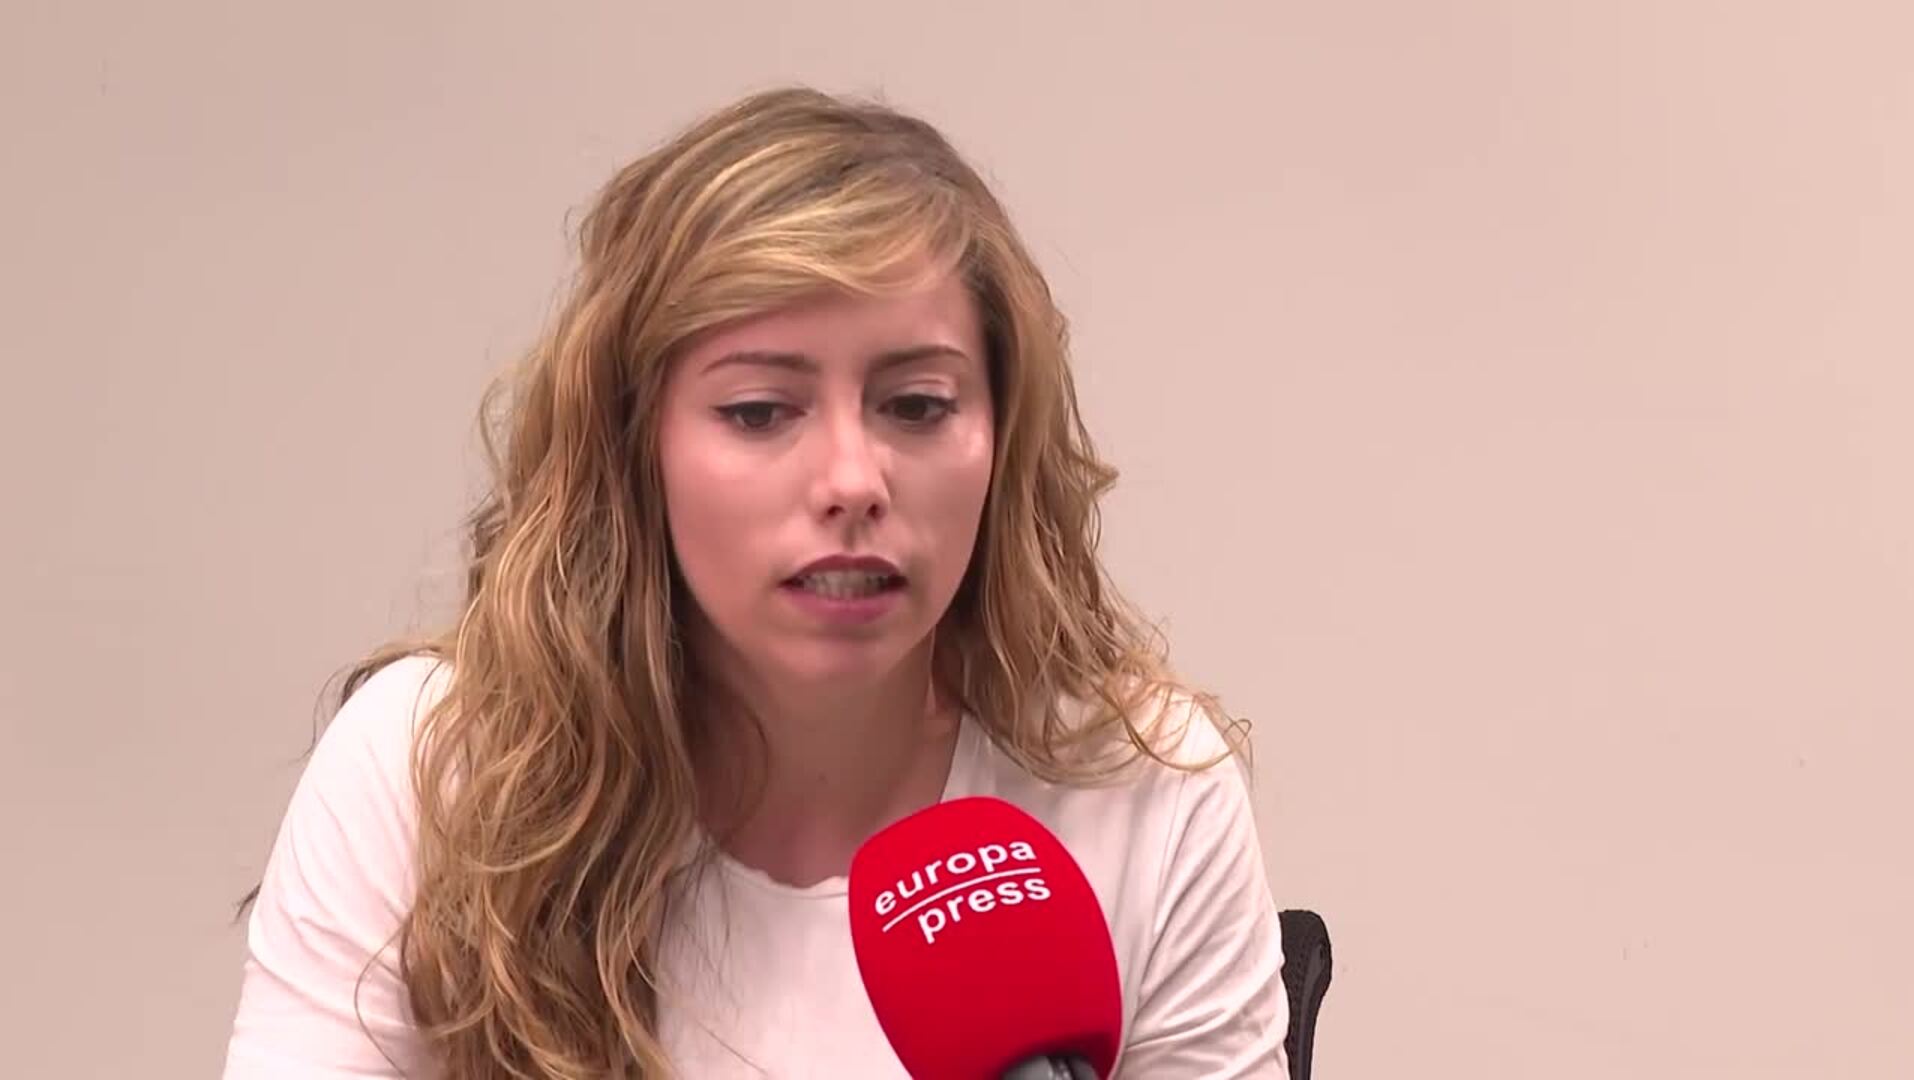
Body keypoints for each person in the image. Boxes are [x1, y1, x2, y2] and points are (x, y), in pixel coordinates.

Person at [222, 85, 1287, 1079]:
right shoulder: (434, 773)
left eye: (917, 406)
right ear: (635, 448)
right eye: (760, 412)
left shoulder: (1144, 792)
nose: (852, 481)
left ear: (1002, 440)